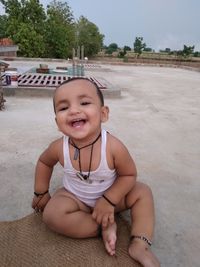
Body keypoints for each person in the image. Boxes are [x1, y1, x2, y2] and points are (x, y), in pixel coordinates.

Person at [32, 77, 160, 267]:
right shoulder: (59, 147)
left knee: (143, 193)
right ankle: (104, 226)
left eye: (84, 102)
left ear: (103, 113)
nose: (74, 110)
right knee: (51, 215)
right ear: (57, 122)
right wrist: (40, 192)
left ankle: (139, 244)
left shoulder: (113, 147)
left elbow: (129, 175)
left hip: (112, 200)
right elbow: (44, 162)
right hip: (75, 198)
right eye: (63, 108)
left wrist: (108, 200)